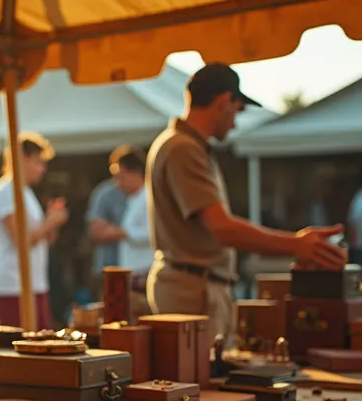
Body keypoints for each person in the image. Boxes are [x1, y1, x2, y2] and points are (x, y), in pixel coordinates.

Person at [146, 63, 345, 342]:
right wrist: (297, 245)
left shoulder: (185, 145)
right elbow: (222, 228)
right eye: (237, 110)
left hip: (196, 286)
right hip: (192, 290)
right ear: (224, 101)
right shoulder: (183, 148)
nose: (235, 122)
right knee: (199, 383)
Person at [0, 132, 69, 328]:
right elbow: (21, 240)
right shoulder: (6, 192)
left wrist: (51, 223)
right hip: (12, 284)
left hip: (34, 283)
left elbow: (43, 240)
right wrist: (51, 221)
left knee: (41, 345)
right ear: (22, 159)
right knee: (25, 350)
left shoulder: (25, 192)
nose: (42, 169)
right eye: (38, 162)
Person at [85, 145, 141, 293]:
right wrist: (125, 233)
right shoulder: (105, 194)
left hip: (136, 271)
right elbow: (96, 232)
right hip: (108, 269)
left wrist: (116, 231)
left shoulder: (143, 195)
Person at [115, 151, 153, 317]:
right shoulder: (135, 199)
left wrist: (122, 233)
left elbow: (152, 232)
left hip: (144, 272)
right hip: (134, 273)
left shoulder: (148, 198)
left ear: (135, 173)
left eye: (121, 176)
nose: (118, 183)